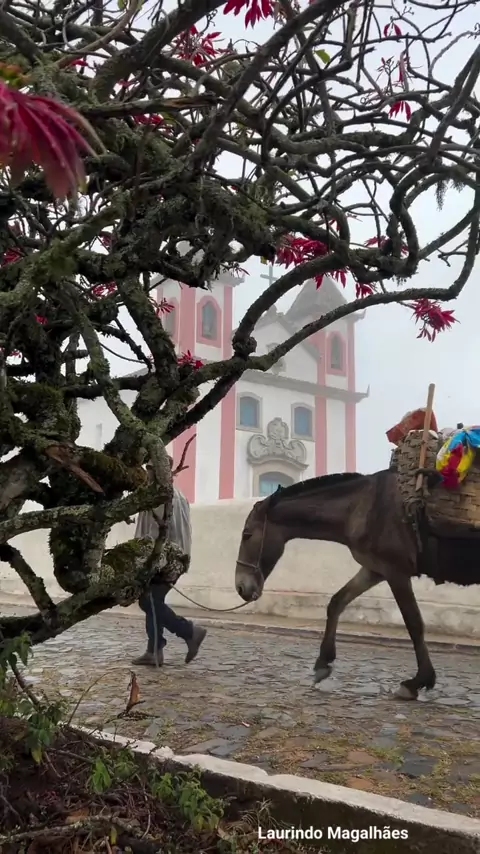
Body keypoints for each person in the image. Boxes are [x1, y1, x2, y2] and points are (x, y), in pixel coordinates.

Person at [132, 458, 206, 667]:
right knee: (153, 600)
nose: (147, 473)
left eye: (150, 469)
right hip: (176, 558)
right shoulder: (178, 494)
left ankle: (189, 631)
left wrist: (142, 561)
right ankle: (154, 650)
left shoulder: (159, 496)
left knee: (148, 601)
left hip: (162, 559)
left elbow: (154, 533)